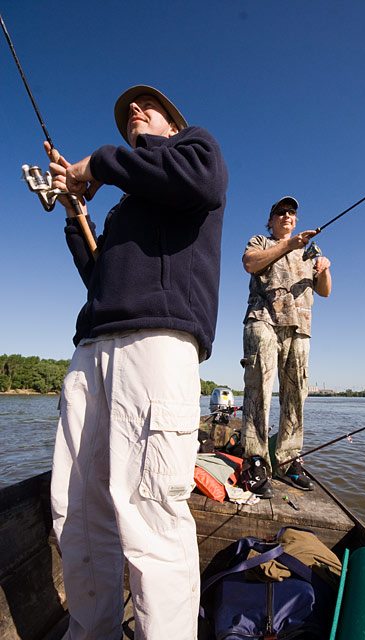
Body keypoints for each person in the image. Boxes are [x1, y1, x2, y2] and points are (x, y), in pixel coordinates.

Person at [44, 85, 228, 640]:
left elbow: (200, 179)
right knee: (76, 509)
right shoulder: (127, 206)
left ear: (173, 123)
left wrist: (99, 163)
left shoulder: (198, 150)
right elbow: (100, 278)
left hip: (157, 347)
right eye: (128, 116)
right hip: (91, 351)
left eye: (147, 110)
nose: (134, 114)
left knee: (151, 515)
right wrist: (76, 209)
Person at [240, 196, 331, 498]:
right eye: (281, 212)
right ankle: (255, 459)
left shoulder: (309, 251)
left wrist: (324, 268)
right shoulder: (261, 242)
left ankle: (288, 460)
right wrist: (289, 246)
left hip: (300, 327)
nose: (287, 216)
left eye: (292, 213)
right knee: (259, 390)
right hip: (263, 320)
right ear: (271, 221)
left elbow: (324, 291)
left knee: (296, 396)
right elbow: (250, 264)